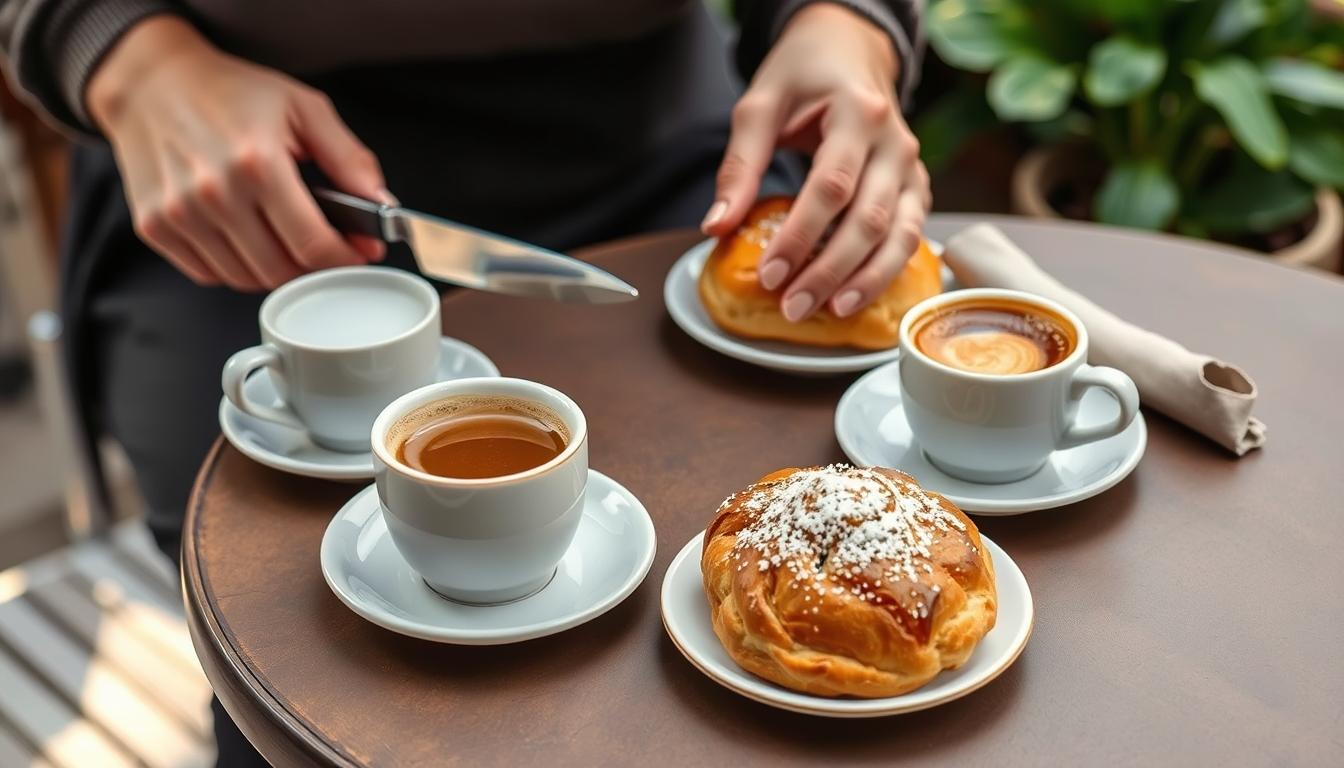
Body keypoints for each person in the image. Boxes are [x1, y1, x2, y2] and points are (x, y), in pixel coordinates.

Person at [1, 1, 928, 764]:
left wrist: (845, 24)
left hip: (667, 158)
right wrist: (121, 52)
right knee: (285, 670)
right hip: (245, 179)